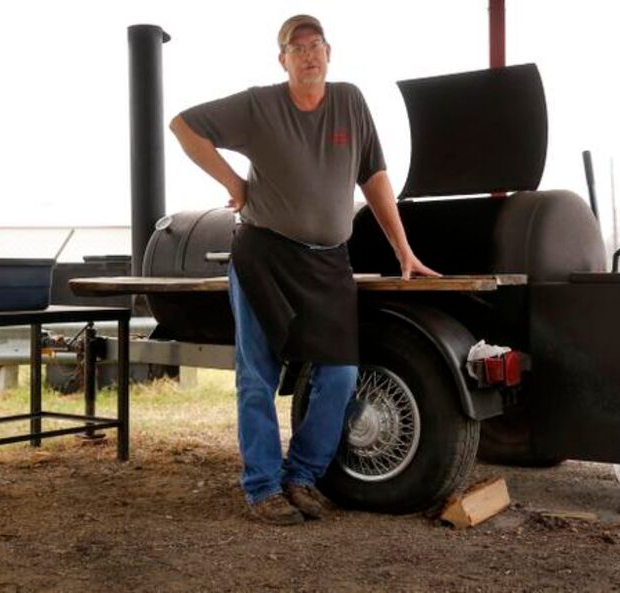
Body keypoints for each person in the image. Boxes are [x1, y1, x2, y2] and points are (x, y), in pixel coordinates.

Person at [170, 14, 439, 525]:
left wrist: (403, 249)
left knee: (339, 373)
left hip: (328, 261)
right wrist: (235, 182)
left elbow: (374, 176)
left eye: (317, 45)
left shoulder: (350, 101)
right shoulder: (259, 105)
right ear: (283, 59)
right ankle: (263, 487)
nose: (309, 54)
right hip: (264, 256)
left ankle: (302, 475)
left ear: (329, 53)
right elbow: (184, 125)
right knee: (257, 379)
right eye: (298, 47)